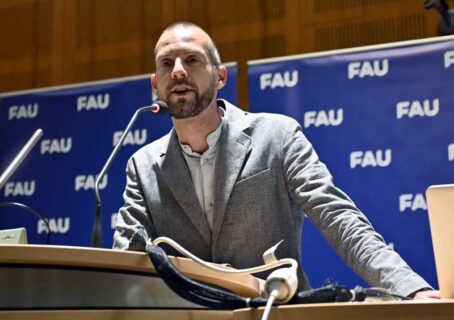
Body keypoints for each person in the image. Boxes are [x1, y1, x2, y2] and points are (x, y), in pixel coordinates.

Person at [113, 22, 439, 300]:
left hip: (276, 311)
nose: (179, 70)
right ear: (155, 84)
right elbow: (123, 263)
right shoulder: (142, 166)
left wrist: (410, 289)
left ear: (220, 76)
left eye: (192, 59)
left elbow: (341, 221)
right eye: (166, 63)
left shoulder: (277, 136)